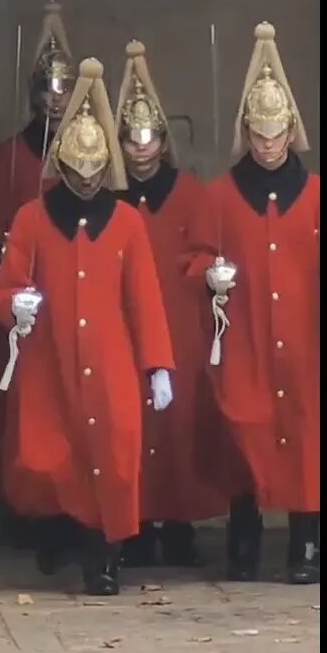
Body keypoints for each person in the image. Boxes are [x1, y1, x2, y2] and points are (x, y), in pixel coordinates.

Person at [0, 57, 176, 596]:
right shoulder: (30, 217)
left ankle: (107, 558)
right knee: (54, 458)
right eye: (79, 172)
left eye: (96, 173)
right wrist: (14, 307)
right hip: (52, 361)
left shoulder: (127, 223)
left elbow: (145, 299)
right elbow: (6, 288)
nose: (88, 182)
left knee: (115, 460)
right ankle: (61, 534)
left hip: (112, 362)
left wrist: (158, 364)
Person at [184, 21, 320, 584]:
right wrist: (209, 276)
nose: (267, 145)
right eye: (258, 135)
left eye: (276, 134)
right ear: (247, 132)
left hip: (304, 339)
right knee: (245, 434)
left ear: (290, 132)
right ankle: (243, 544)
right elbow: (191, 260)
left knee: (308, 439)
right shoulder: (218, 195)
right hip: (243, 339)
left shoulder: (315, 196)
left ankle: (306, 548)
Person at [110, 40, 245, 568]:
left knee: (180, 425)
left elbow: (207, 249)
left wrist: (204, 273)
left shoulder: (191, 192)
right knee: (133, 423)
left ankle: (180, 522)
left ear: (163, 142)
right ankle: (136, 522)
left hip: (181, 323)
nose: (141, 148)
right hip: (126, 322)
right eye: (131, 138)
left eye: (149, 138)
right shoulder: (110, 202)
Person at [0, 2, 75, 561]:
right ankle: (29, 514)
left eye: (66, 89)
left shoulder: (89, 156)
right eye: (50, 89)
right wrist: (5, 248)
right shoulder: (11, 157)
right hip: (26, 310)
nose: (57, 99)